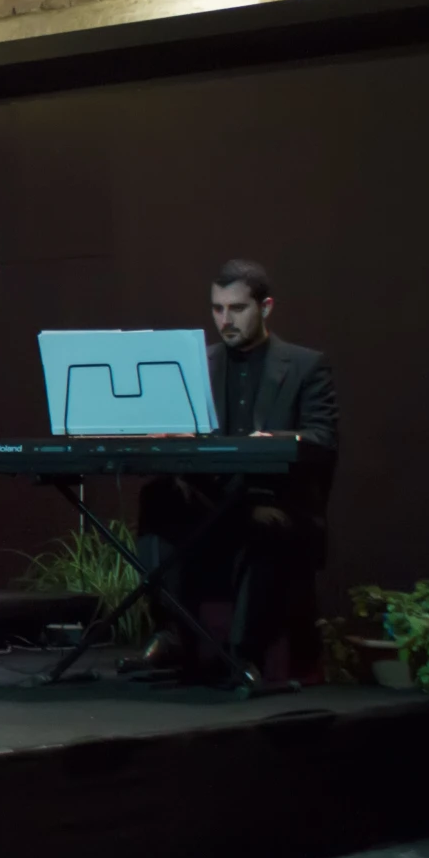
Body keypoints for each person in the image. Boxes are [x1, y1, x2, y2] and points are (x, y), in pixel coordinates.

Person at [134, 259, 339, 684]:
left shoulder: (306, 366)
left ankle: (243, 656)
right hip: (213, 501)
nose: (225, 320)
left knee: (260, 524)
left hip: (275, 503)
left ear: (265, 307)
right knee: (158, 498)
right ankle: (172, 633)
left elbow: (322, 438)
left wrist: (279, 441)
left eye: (237, 308)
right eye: (217, 309)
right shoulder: (197, 365)